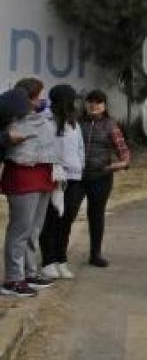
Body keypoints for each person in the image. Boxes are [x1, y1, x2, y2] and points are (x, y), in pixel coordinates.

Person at [1, 78, 60, 297]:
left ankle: (29, 272)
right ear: (26, 98)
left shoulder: (44, 120)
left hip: (43, 177)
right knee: (20, 231)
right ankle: (13, 279)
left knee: (34, 230)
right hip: (23, 179)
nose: (41, 100)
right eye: (37, 96)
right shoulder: (10, 121)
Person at [71, 90, 131, 268]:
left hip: (101, 178)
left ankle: (95, 253)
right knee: (68, 213)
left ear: (104, 106)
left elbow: (124, 152)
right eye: (90, 102)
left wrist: (116, 166)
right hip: (77, 177)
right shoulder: (76, 123)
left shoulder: (111, 125)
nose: (94, 105)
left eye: (98, 102)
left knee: (96, 215)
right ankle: (59, 255)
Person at [39, 85, 86, 280]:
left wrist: (80, 165)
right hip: (54, 178)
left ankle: (61, 259)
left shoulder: (74, 122)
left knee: (67, 220)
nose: (75, 103)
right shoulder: (45, 120)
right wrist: (56, 168)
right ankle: (48, 261)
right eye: (72, 100)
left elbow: (80, 147)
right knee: (51, 220)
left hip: (74, 178)